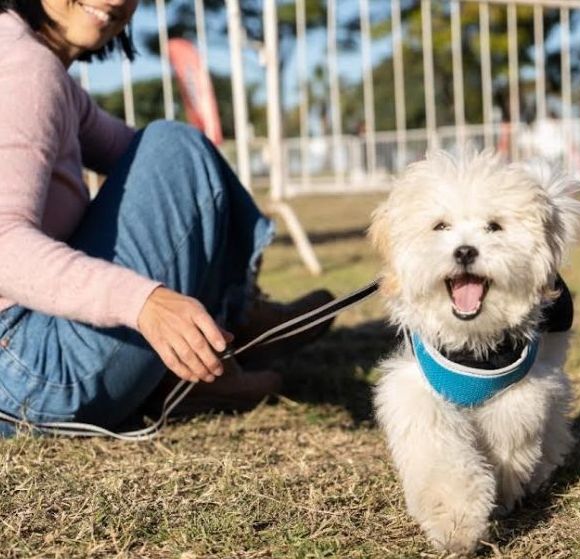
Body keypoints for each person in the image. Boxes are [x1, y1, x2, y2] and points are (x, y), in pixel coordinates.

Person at [0, 0, 333, 436]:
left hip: (25, 371)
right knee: (175, 143)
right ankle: (233, 321)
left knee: (176, 148)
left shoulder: (31, 64)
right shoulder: (24, 67)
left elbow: (153, 163)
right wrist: (143, 302)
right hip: (33, 372)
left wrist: (213, 206)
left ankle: (216, 335)